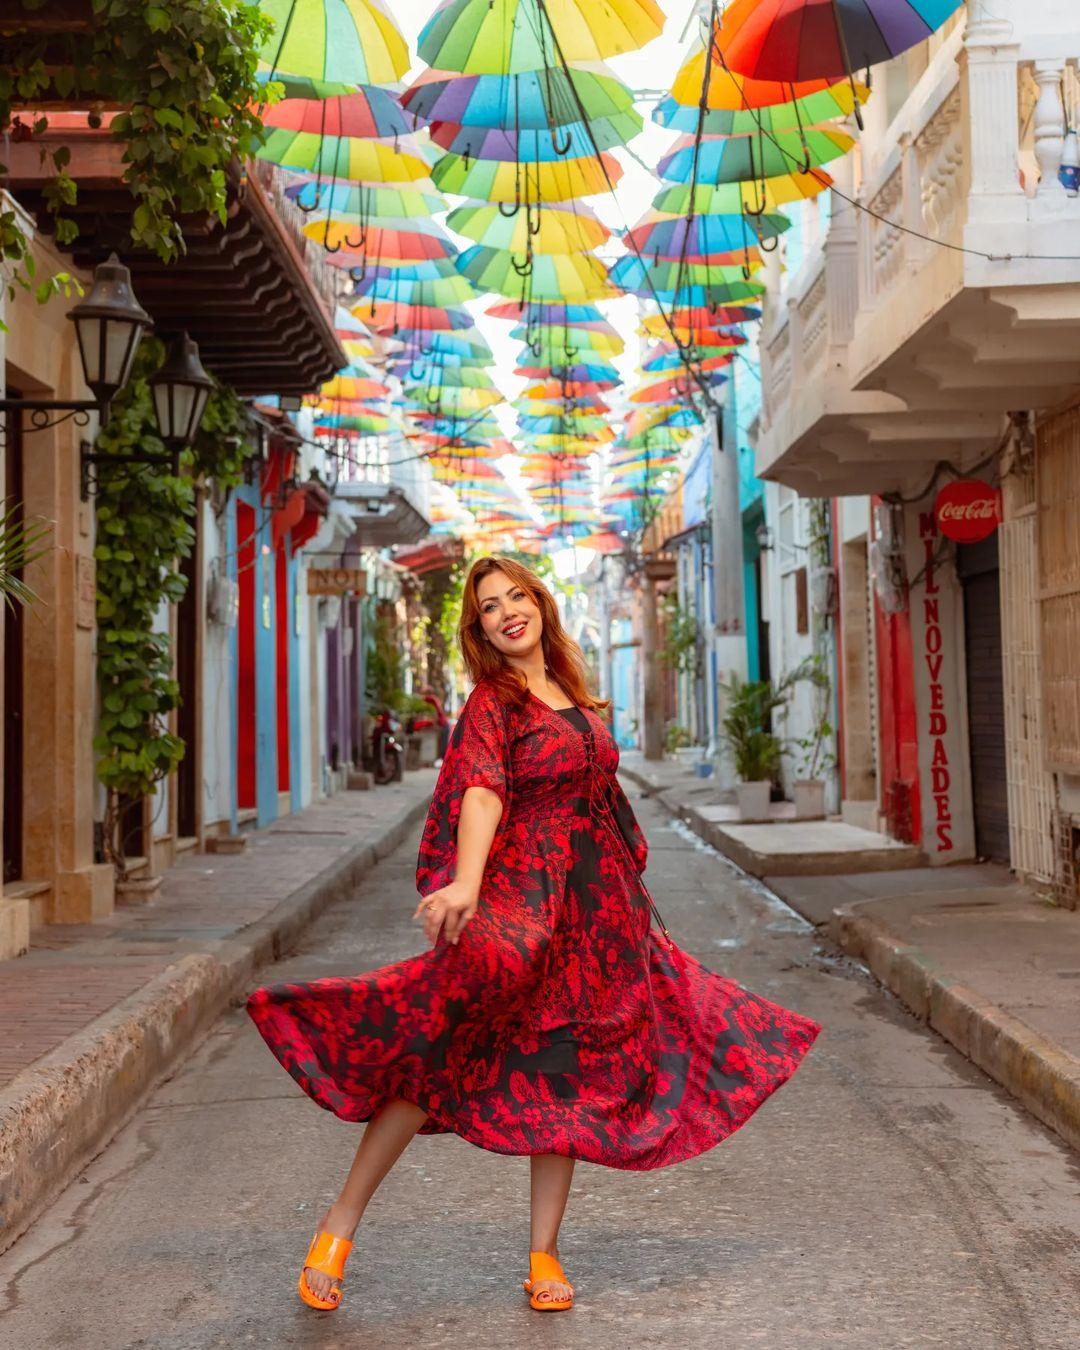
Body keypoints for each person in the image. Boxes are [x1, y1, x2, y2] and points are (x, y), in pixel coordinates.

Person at [246, 555, 820, 1315]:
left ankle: (544, 1254)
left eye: (517, 595)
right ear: (479, 628)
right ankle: (336, 1227)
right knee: (437, 1056)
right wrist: (469, 883)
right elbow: (483, 792)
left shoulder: (574, 692)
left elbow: (601, 797)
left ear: (541, 604)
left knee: (568, 1076)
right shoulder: (495, 702)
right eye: (489, 606)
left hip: (599, 918)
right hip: (521, 909)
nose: (507, 611)